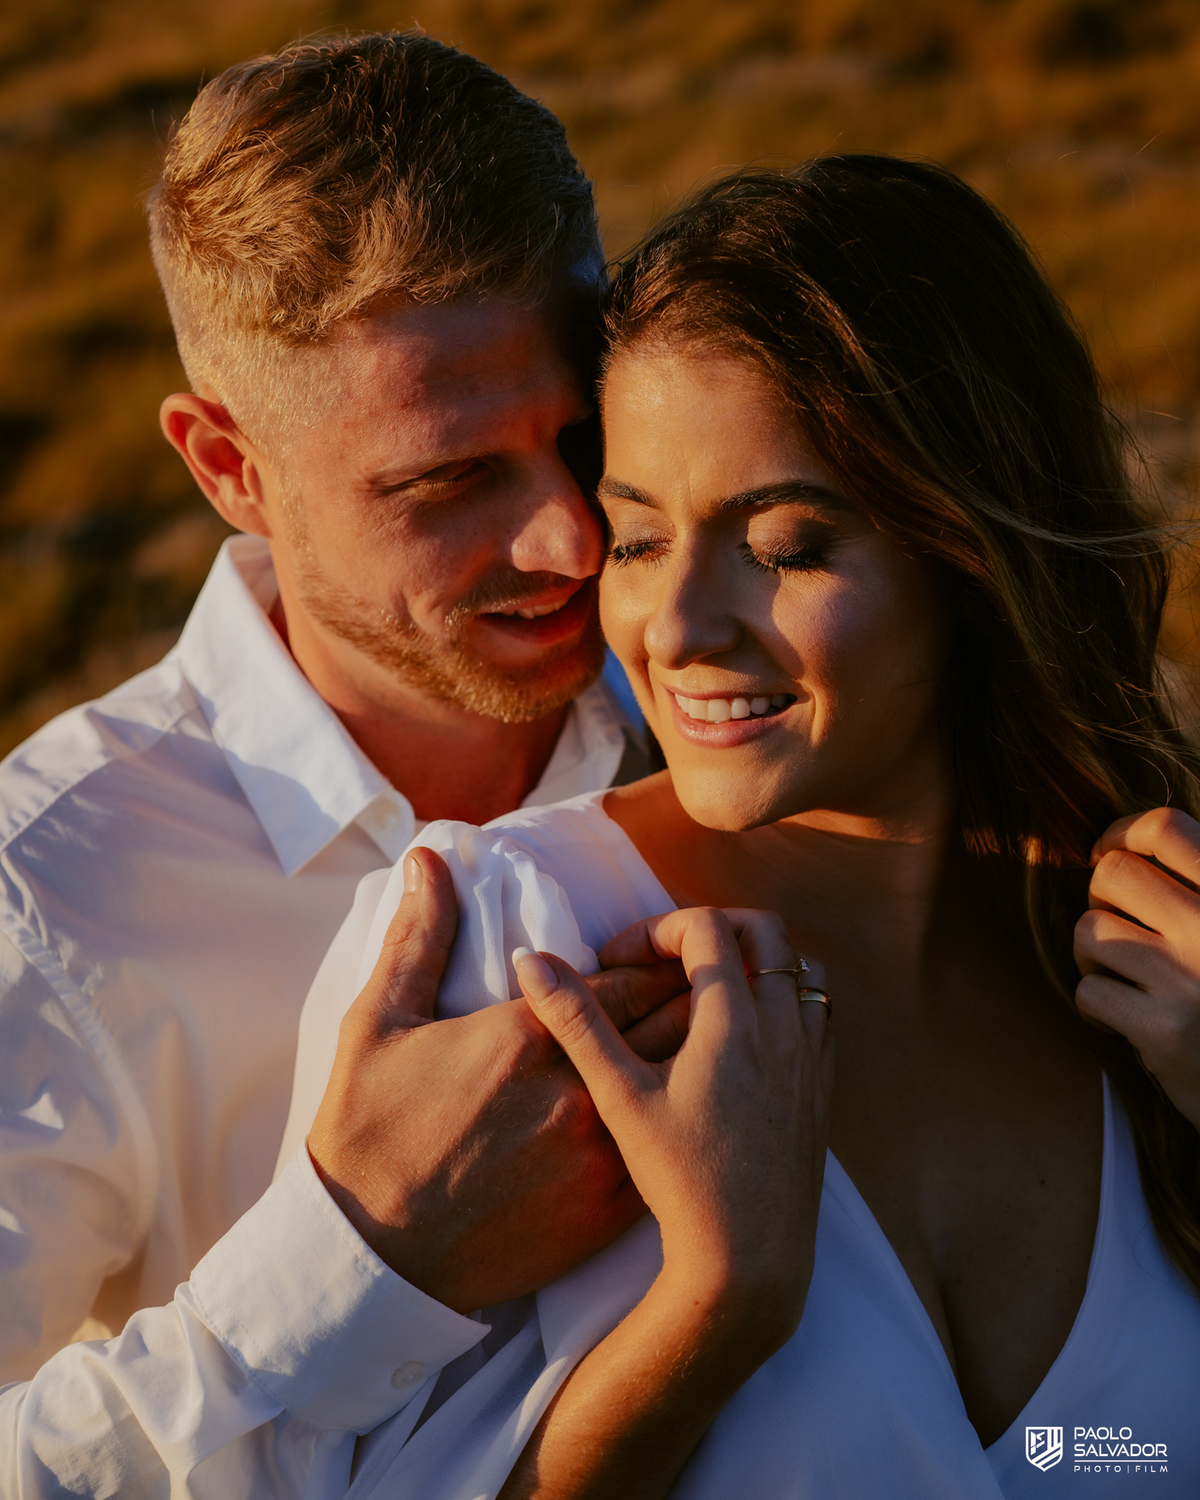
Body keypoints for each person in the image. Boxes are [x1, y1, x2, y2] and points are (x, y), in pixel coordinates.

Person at [274, 156, 1200, 1498]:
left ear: (972, 552)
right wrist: (713, 1308)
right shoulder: (516, 950)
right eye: (639, 540)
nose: (682, 629)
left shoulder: (1150, 958)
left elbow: (1111, 1455)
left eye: (785, 546)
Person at [0, 23, 677, 1421]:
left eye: (587, 436)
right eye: (448, 483)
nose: (568, 538)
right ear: (231, 466)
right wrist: (362, 1262)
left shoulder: (741, 727)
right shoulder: (47, 902)